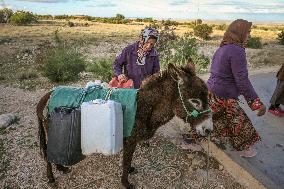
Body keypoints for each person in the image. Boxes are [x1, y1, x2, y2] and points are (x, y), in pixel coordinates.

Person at [207, 19, 266, 158]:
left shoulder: (223, 48)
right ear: (239, 33)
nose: (249, 35)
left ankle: (190, 140)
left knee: (210, 119)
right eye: (248, 32)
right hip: (224, 97)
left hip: (212, 92)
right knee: (239, 124)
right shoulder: (237, 51)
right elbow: (242, 81)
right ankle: (245, 149)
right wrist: (256, 104)